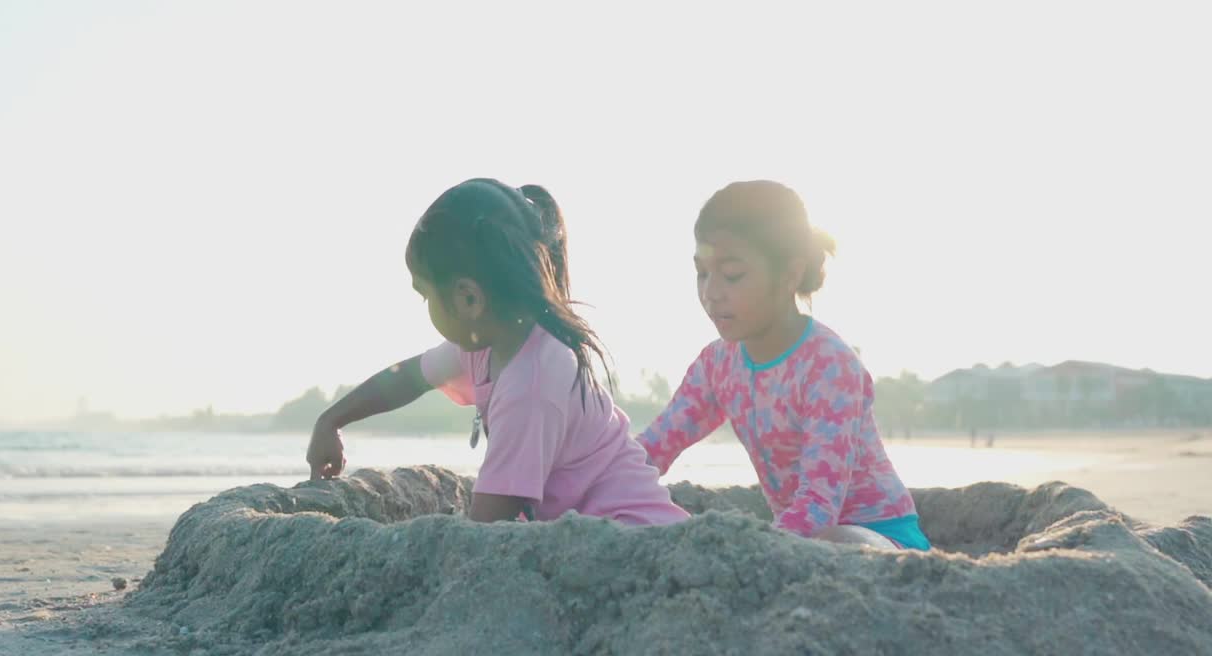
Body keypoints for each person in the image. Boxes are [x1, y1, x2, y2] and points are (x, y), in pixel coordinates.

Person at [306, 178, 688, 526]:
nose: (425, 308)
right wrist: (332, 419)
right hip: (587, 529)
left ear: (469, 298)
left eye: (425, 296)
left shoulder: (531, 383)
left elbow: (485, 527)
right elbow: (407, 378)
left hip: (632, 536)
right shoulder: (491, 340)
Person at [636, 180, 930, 550]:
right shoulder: (717, 365)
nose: (711, 292)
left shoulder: (828, 365)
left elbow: (820, 506)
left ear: (790, 274)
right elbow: (653, 449)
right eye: (702, 273)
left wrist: (755, 548)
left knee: (837, 539)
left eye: (732, 275)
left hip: (880, 537)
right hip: (800, 538)